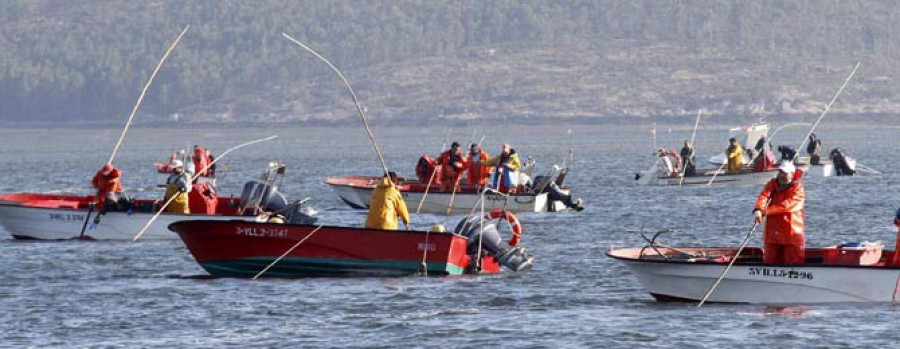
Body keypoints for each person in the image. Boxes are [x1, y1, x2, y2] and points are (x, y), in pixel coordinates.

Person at [753, 161, 806, 264]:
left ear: (792, 174)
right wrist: (758, 209)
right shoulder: (772, 184)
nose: (782, 175)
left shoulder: (798, 188)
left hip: (791, 234)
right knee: (769, 261)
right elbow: (764, 196)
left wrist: (766, 211)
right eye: (780, 172)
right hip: (772, 234)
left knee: (794, 263)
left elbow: (788, 205)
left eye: (785, 173)